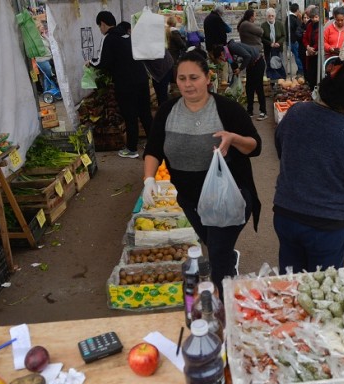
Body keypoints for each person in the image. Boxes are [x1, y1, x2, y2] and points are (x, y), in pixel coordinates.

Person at [142, 51, 261, 299]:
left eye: (194, 77)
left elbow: (255, 146)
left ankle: (224, 311)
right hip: (190, 199)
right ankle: (229, 257)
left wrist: (233, 138)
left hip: (227, 198)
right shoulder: (167, 111)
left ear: (208, 78)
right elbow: (153, 148)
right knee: (213, 243)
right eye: (182, 78)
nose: (187, 84)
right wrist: (149, 179)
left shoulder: (226, 109)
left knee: (217, 261)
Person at [273, 60, 344, 272]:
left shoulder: (296, 113)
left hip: (286, 214)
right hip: (326, 226)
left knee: (291, 285)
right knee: (323, 293)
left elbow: (282, 150)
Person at [89, 11, 151, 159]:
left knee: (130, 115)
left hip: (126, 83)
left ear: (103, 24)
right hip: (142, 78)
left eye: (99, 26)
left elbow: (103, 62)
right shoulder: (127, 36)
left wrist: (90, 62)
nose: (100, 29)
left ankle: (131, 149)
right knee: (145, 113)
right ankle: (154, 144)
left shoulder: (109, 38)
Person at [238, 10, 268, 120]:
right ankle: (260, 111)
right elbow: (261, 31)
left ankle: (255, 110)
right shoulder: (246, 24)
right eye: (255, 16)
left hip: (254, 58)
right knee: (255, 85)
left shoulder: (244, 25)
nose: (255, 18)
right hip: (256, 59)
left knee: (252, 85)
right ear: (251, 17)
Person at [261, 8, 286, 90]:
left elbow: (283, 36)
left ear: (275, 16)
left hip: (278, 48)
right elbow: (262, 38)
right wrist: (270, 43)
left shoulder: (279, 24)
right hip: (268, 49)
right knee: (270, 65)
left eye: (272, 15)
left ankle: (280, 82)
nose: (271, 17)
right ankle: (271, 83)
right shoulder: (263, 25)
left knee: (279, 65)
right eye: (269, 16)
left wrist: (279, 43)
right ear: (266, 17)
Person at [35, 21, 59, 97]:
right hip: (42, 60)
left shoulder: (43, 37)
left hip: (49, 58)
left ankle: (49, 91)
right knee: (48, 76)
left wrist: (45, 36)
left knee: (48, 76)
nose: (43, 27)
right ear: (38, 28)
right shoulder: (36, 39)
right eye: (41, 26)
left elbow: (50, 44)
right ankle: (47, 91)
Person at [302, 7, 321, 89]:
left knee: (317, 73)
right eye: (312, 17)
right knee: (310, 73)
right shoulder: (309, 25)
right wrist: (308, 47)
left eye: (316, 17)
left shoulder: (322, 26)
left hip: (318, 54)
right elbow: (305, 38)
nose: (314, 19)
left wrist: (314, 48)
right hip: (310, 54)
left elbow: (321, 40)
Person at [288, 3, 305, 76]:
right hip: (295, 41)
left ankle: (300, 70)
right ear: (297, 10)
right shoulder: (295, 19)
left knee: (296, 56)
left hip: (290, 40)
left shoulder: (288, 18)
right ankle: (301, 71)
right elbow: (298, 30)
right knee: (298, 56)